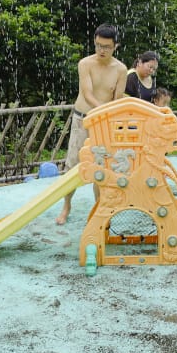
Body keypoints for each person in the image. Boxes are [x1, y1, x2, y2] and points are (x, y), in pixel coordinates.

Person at [54, 24, 128, 225]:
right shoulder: (85, 64)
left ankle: (99, 208)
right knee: (72, 166)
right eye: (98, 45)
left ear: (115, 46)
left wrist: (108, 116)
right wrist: (102, 110)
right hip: (83, 119)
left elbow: (118, 98)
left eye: (106, 46)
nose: (101, 50)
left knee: (101, 167)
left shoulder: (120, 69)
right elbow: (87, 94)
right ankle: (66, 206)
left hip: (104, 123)